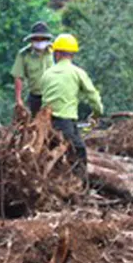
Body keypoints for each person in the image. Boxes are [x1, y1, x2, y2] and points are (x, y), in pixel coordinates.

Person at [39, 33, 103, 181]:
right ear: (71, 54)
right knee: (78, 151)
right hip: (64, 121)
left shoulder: (47, 74)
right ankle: (80, 188)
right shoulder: (77, 72)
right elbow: (93, 96)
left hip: (45, 123)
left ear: (57, 53)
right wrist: (97, 113)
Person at [11, 22, 55, 117]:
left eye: (42, 39)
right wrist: (18, 99)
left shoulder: (55, 52)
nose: (39, 41)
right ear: (31, 40)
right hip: (35, 97)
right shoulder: (24, 55)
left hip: (53, 96)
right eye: (36, 39)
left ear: (47, 40)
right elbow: (18, 76)